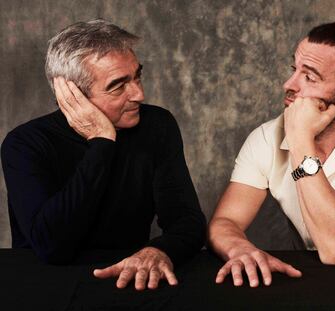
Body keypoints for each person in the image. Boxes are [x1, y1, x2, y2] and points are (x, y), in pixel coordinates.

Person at [1, 19, 206, 290]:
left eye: (137, 76)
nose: (139, 94)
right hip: (48, 287)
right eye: (118, 86)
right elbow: (52, 247)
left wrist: (159, 251)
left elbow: (187, 221)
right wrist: (101, 142)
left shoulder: (157, 126)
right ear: (73, 95)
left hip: (128, 281)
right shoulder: (24, 144)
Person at [208, 21, 335, 287]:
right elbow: (226, 221)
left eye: (309, 77)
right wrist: (238, 247)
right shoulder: (266, 137)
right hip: (309, 280)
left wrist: (301, 140)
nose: (288, 84)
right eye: (294, 70)